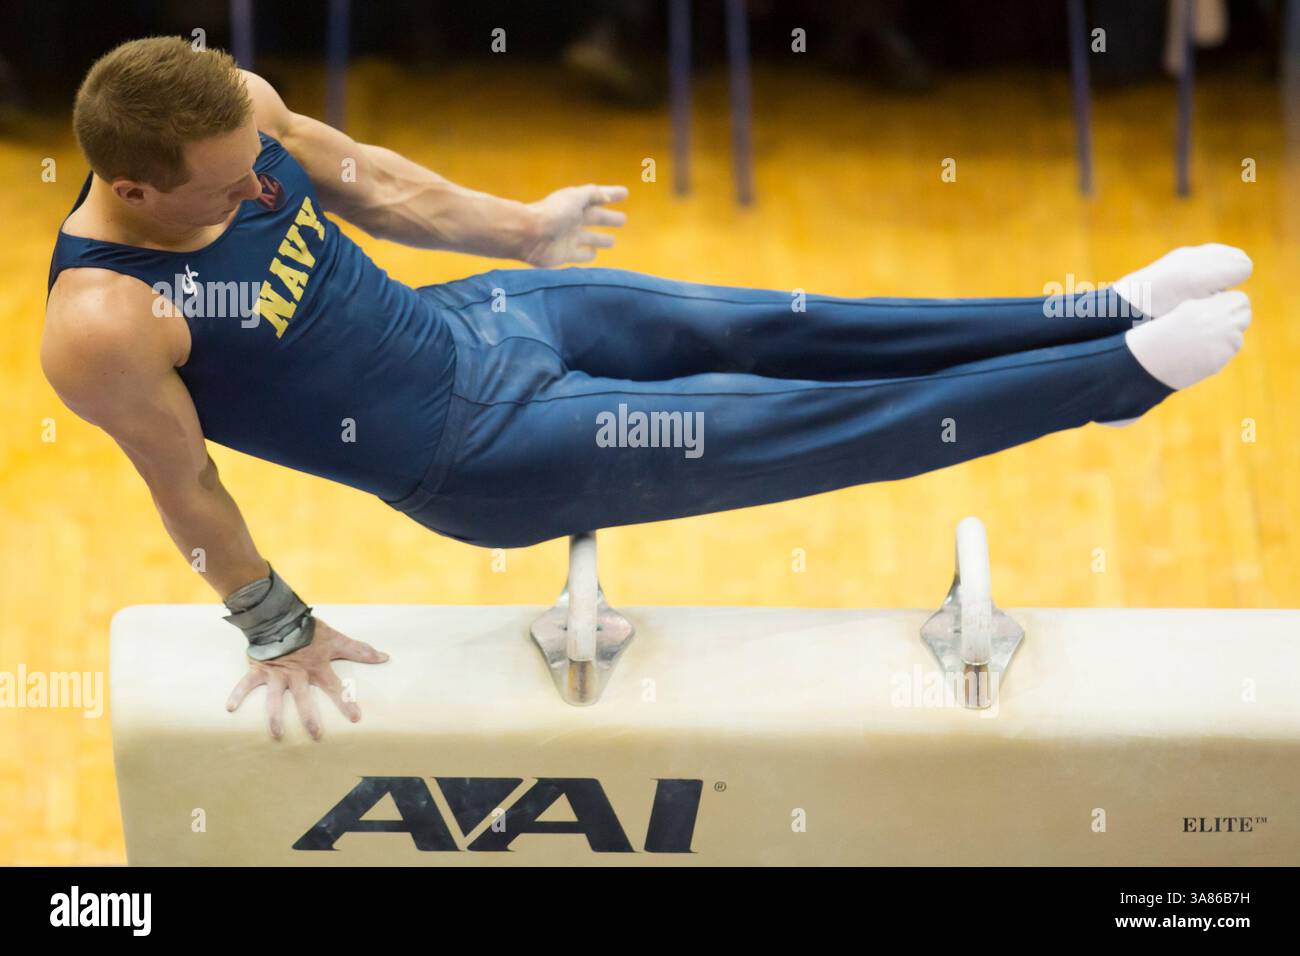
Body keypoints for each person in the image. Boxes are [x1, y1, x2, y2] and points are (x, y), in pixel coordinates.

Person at [43, 38, 1251, 739]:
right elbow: (184, 479)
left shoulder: (234, 112)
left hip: (488, 318)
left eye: (257, 164)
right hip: (484, 447)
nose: (260, 189)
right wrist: (275, 625)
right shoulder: (103, 322)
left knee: (799, 328)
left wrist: (519, 231)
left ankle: (1102, 308)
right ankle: (1116, 377)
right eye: (226, 189)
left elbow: (362, 179)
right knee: (813, 424)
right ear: (135, 190)